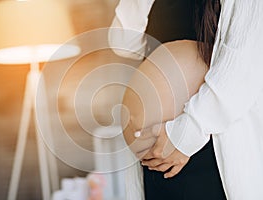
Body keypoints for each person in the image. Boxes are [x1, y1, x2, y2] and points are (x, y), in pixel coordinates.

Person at [109, 0, 263, 199]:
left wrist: (184, 134)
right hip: (158, 153)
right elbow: (122, 42)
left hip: (205, 147)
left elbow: (242, 68)